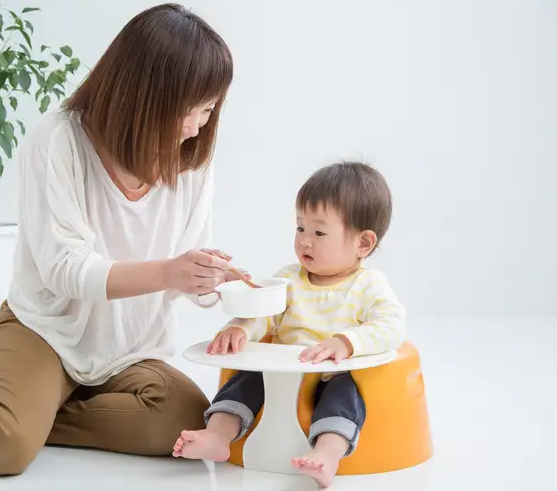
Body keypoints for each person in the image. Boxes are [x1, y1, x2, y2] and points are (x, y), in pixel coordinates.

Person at [0, 3, 238, 475]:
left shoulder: (192, 163)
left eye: (210, 109)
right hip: (44, 332)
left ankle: (20, 417)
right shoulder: (59, 141)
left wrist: (211, 281)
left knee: (185, 421)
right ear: (149, 96)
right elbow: (65, 269)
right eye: (195, 108)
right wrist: (168, 271)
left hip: (127, 352)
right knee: (4, 449)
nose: (200, 124)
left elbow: (186, 272)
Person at [173, 161, 407, 488]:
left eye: (319, 232)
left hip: (332, 373)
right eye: (300, 228)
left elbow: (391, 326)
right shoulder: (288, 279)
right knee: (243, 381)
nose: (305, 241)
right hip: (279, 371)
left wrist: (346, 341)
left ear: (363, 243)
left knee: (343, 398)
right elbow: (264, 315)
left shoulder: (369, 285)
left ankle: (326, 455)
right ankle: (218, 436)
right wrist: (241, 328)